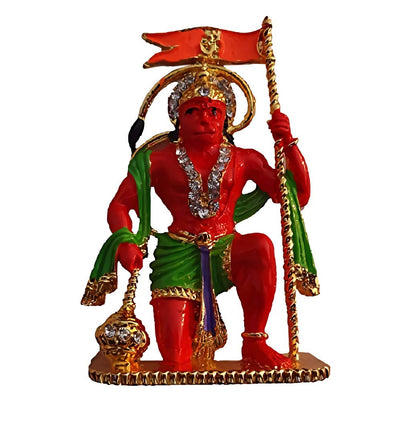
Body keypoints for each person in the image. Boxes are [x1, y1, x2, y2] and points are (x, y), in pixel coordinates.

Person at [101, 72, 310, 370]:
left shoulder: (244, 159)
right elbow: (120, 204)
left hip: (227, 249)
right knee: (176, 361)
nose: (204, 119)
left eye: (214, 111)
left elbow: (296, 195)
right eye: (193, 111)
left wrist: (288, 142)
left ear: (226, 119)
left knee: (260, 246)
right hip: (177, 254)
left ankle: (255, 342)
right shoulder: (156, 160)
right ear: (177, 118)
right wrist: (124, 240)